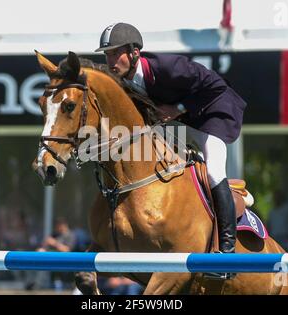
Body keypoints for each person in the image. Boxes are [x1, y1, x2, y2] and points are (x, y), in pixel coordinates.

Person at [95, 23, 247, 279]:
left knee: (213, 170)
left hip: (213, 114)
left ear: (134, 53)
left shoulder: (168, 67)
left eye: (115, 53)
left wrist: (178, 107)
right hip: (179, 124)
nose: (110, 60)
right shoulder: (123, 81)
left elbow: (218, 86)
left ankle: (227, 252)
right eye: (107, 55)